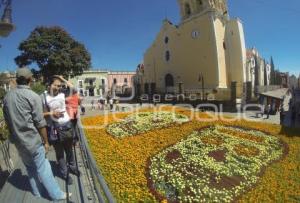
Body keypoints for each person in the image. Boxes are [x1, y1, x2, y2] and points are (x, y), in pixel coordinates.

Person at [2, 67, 69, 200]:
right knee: (44, 168)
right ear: (30, 79)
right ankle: (57, 195)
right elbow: (40, 123)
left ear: (16, 80)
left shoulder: (7, 96)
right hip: (32, 140)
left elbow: (8, 120)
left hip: (18, 141)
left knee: (30, 168)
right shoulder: (32, 96)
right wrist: (46, 142)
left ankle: (37, 192)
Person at [42, 75, 80, 185]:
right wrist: (51, 113)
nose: (58, 87)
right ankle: (65, 174)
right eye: (56, 85)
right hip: (55, 128)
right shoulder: (44, 97)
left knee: (69, 150)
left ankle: (72, 168)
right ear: (49, 85)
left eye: (59, 86)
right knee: (60, 154)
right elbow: (39, 114)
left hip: (67, 126)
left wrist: (62, 79)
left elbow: (74, 89)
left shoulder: (63, 93)